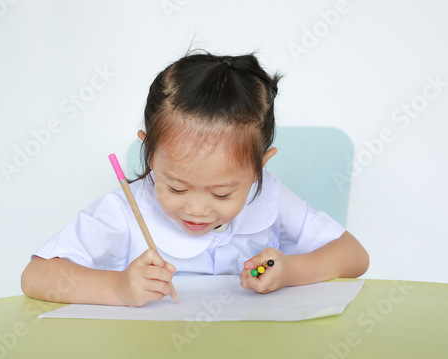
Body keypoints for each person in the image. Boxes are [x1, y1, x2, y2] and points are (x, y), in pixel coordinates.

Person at [21, 51, 369, 307]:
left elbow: (354, 255)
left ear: (260, 167)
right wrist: (117, 288)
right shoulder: (126, 209)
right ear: (151, 154)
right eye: (176, 187)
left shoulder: (269, 198)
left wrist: (292, 270)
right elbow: (35, 277)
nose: (197, 208)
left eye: (222, 193)